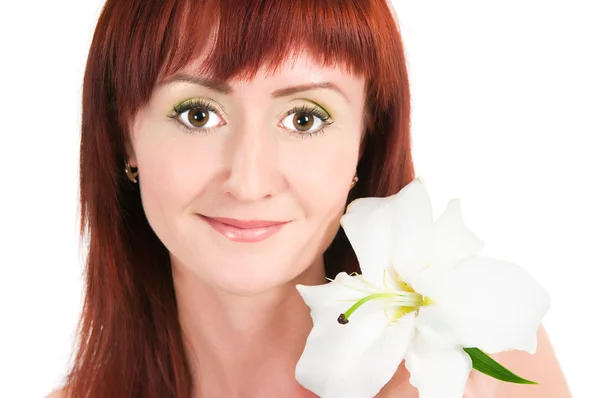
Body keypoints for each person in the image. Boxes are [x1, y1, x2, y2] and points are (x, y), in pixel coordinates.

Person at [48, 0, 571, 397]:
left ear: (366, 142)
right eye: (198, 114)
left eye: (304, 119)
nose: (248, 182)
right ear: (124, 135)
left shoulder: (478, 371)